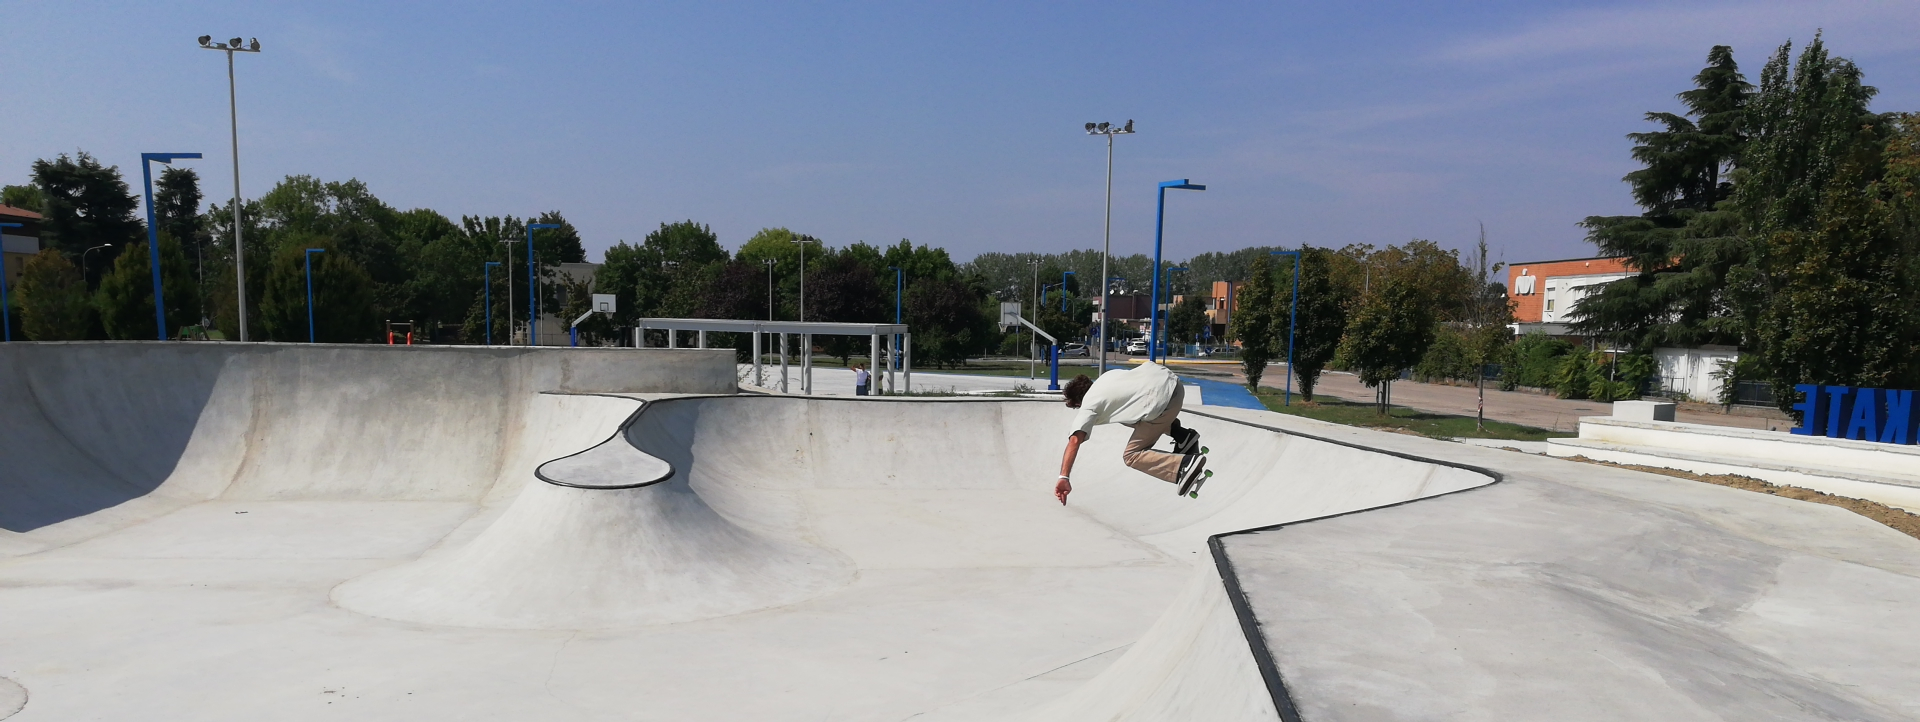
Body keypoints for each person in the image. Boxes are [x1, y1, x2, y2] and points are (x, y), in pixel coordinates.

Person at [1053, 362, 1202, 505]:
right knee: (1128, 415)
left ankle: (1185, 465)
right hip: (1174, 385)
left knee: (1131, 456)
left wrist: (1063, 477)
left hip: (1163, 405)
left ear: (1078, 403)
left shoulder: (1088, 405)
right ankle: (1182, 435)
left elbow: (1074, 441)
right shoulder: (1106, 378)